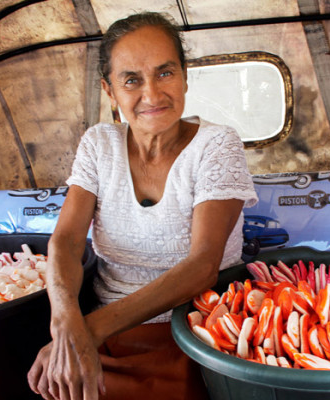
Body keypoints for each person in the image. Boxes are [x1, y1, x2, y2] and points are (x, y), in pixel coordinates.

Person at [27, 11, 258, 400]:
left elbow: (202, 267)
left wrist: (86, 332)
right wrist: (65, 325)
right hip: (105, 330)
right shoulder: (99, 144)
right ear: (109, 90)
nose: (151, 94)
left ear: (185, 76)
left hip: (199, 329)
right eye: (131, 80)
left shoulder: (217, 145)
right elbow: (66, 241)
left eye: (165, 73)